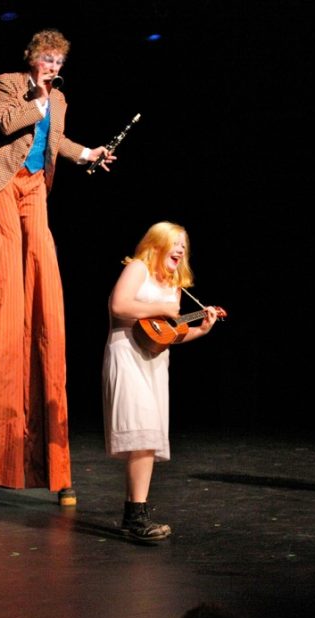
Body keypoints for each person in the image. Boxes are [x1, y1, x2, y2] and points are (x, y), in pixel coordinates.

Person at [0, 28, 116, 510]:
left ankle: (55, 472)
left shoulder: (58, 100)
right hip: (2, 188)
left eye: (59, 61)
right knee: (3, 303)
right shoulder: (7, 83)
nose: (53, 67)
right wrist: (38, 99)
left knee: (46, 291)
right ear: (32, 58)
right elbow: (4, 124)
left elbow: (55, 141)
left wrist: (89, 155)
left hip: (36, 190)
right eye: (47, 58)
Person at [102, 222, 218, 543]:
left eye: (185, 244)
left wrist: (200, 330)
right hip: (127, 353)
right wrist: (161, 307)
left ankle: (134, 514)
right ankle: (136, 515)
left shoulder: (174, 286)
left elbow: (165, 335)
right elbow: (118, 305)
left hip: (154, 361)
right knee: (141, 431)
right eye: (175, 242)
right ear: (157, 243)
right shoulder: (138, 268)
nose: (181, 249)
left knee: (148, 437)